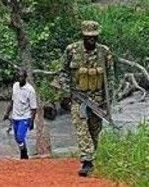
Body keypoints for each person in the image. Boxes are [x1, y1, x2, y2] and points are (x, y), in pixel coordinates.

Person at [59, 20, 115, 177]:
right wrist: (66, 92)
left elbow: (110, 77)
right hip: (78, 97)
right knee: (81, 129)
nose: (91, 39)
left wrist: (108, 100)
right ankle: (87, 161)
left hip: (98, 100)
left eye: (94, 37)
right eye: (88, 36)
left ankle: (90, 158)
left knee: (94, 131)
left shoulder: (105, 52)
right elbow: (63, 72)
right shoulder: (71, 50)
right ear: (82, 35)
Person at [3, 69, 37, 159]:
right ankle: (24, 152)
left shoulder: (30, 90)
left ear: (26, 77)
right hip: (15, 116)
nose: (20, 78)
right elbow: (12, 101)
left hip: (25, 117)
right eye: (18, 77)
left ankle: (24, 153)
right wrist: (7, 112)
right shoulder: (15, 86)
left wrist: (32, 121)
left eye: (22, 76)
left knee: (20, 136)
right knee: (16, 138)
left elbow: (34, 108)